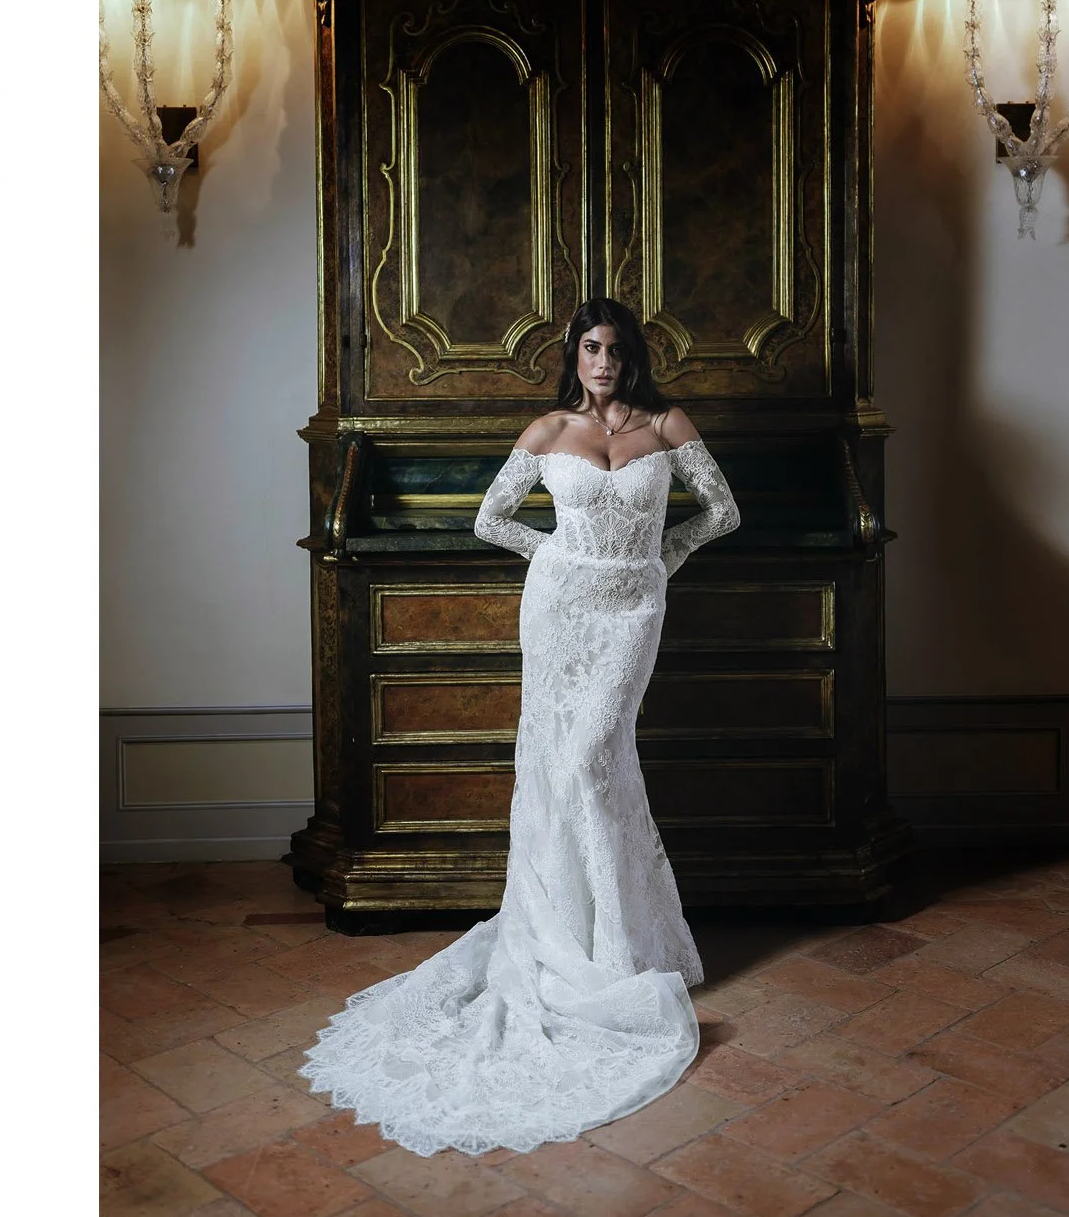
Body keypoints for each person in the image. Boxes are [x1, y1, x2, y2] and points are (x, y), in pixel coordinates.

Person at [299, 296, 739, 1154]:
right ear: (572, 357)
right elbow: (490, 520)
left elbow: (721, 511)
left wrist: (660, 561)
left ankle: (620, 945)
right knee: (568, 767)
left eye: (613, 348)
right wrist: (561, 558)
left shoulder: (667, 423)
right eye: (588, 348)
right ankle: (583, 936)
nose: (602, 361)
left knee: (594, 761)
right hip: (561, 608)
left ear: (631, 355)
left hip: (632, 613)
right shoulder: (545, 431)